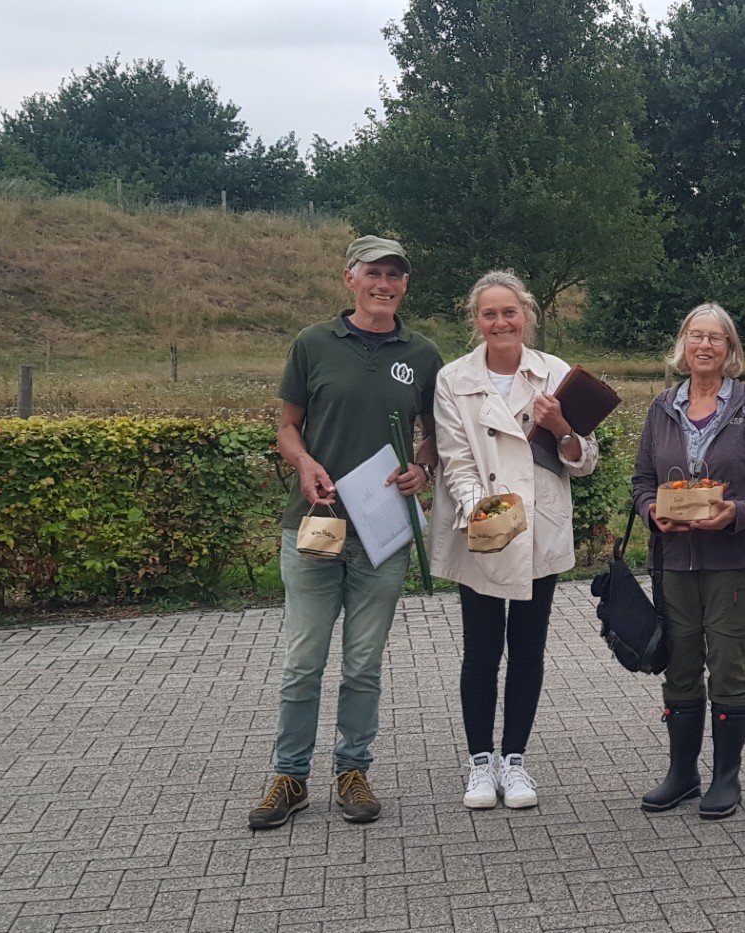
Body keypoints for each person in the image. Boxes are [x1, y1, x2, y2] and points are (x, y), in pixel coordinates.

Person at [249, 235, 443, 830]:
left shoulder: (424, 353)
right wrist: (304, 464)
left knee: (363, 663)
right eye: (373, 273)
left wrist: (422, 466)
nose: (384, 283)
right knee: (304, 661)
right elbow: (287, 427)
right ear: (349, 279)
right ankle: (289, 776)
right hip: (315, 525)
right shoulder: (312, 344)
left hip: (382, 533)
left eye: (395, 275)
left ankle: (353, 769)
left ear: (405, 285)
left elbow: (435, 434)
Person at [427, 270, 599, 810]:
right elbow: (454, 457)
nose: (500, 322)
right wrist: (488, 513)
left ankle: (515, 760)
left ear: (527, 315)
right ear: (475, 321)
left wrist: (562, 424)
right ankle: (480, 761)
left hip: (540, 526)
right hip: (482, 524)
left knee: (528, 647)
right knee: (481, 649)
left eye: (509, 312)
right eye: (488, 314)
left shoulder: (556, 374)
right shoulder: (453, 378)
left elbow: (584, 461)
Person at [629, 303, 745, 820]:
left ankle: (726, 776)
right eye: (696, 336)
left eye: (716, 338)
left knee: (728, 665)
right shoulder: (660, 408)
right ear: (683, 345)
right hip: (674, 561)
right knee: (680, 665)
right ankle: (682, 773)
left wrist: (737, 513)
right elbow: (642, 482)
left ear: (730, 349)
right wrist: (653, 512)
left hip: (733, 561)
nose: (705, 346)